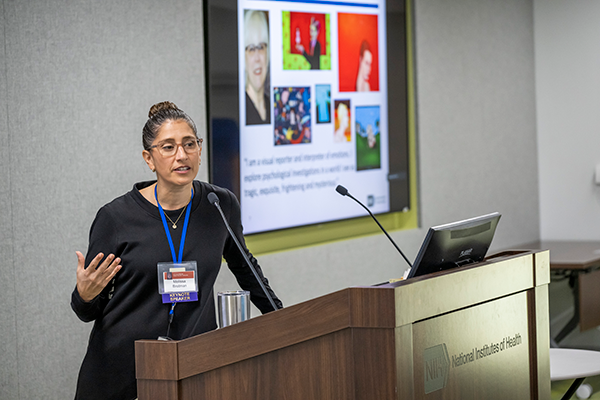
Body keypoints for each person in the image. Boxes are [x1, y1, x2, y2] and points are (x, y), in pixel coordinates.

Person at [71, 101, 282, 400]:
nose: (181, 155)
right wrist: (85, 294)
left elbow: (249, 273)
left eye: (189, 144)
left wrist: (284, 321)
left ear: (200, 149)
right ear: (149, 158)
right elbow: (86, 310)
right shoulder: (116, 218)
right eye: (168, 147)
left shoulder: (219, 205)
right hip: (123, 371)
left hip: (195, 367)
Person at [244, 10, 271, 125]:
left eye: (261, 47)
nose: (257, 58)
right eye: (251, 49)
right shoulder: (240, 108)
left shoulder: (273, 106)